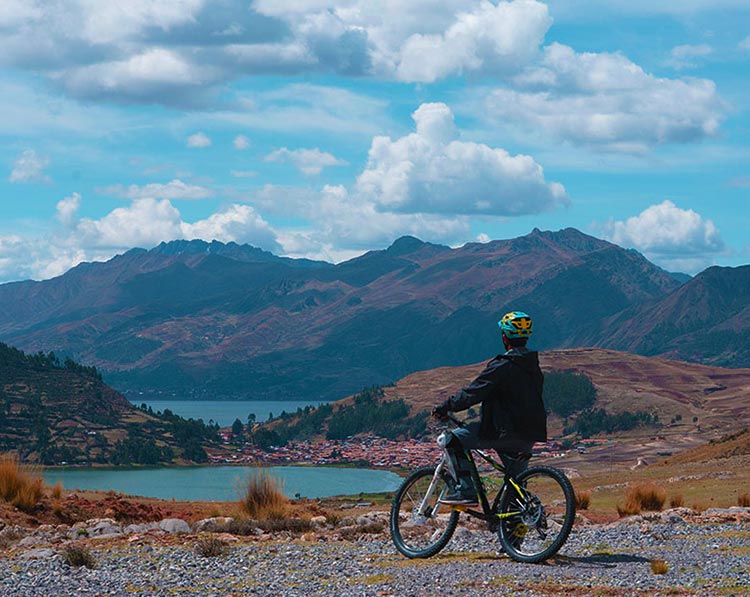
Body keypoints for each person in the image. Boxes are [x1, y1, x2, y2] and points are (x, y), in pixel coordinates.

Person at [431, 311, 547, 506]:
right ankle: (512, 533)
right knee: (515, 485)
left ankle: (465, 491)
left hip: (502, 431)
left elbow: (473, 393)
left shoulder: (502, 365)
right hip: (530, 433)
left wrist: (446, 407)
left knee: (452, 441)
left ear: (504, 337)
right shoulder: (533, 366)